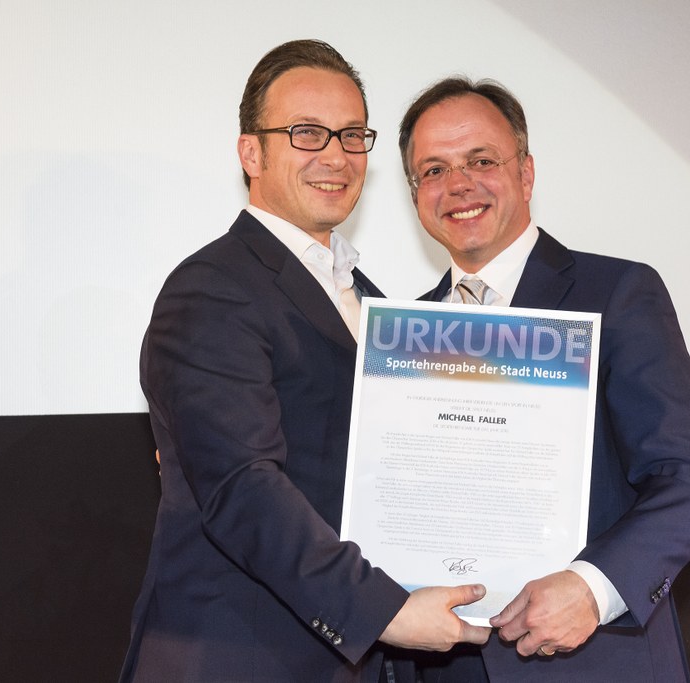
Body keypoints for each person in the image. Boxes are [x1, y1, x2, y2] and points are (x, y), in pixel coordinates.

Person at [119, 41, 490, 683]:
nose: (335, 155)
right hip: (239, 656)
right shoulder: (212, 288)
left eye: (351, 135)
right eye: (306, 133)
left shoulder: (367, 297)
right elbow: (242, 485)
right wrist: (385, 613)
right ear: (251, 151)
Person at [395, 77, 690, 682]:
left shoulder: (618, 294)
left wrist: (591, 589)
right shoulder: (401, 334)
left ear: (525, 173)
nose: (459, 185)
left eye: (481, 161)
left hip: (592, 659)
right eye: (433, 171)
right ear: (415, 195)